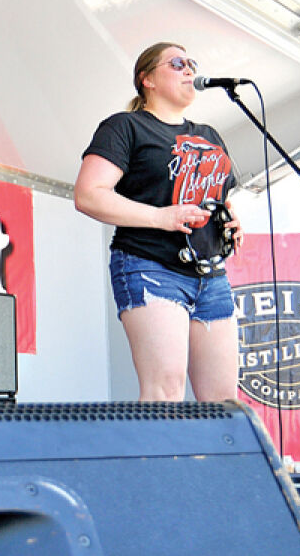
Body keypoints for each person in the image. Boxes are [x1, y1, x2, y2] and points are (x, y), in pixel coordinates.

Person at [73, 42, 244, 402]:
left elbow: (216, 195)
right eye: (178, 63)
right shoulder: (126, 127)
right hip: (150, 265)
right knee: (165, 389)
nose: (189, 70)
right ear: (147, 79)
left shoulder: (209, 135)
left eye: (192, 63)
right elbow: (89, 193)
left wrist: (230, 220)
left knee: (224, 401)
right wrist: (159, 217)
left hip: (211, 276)